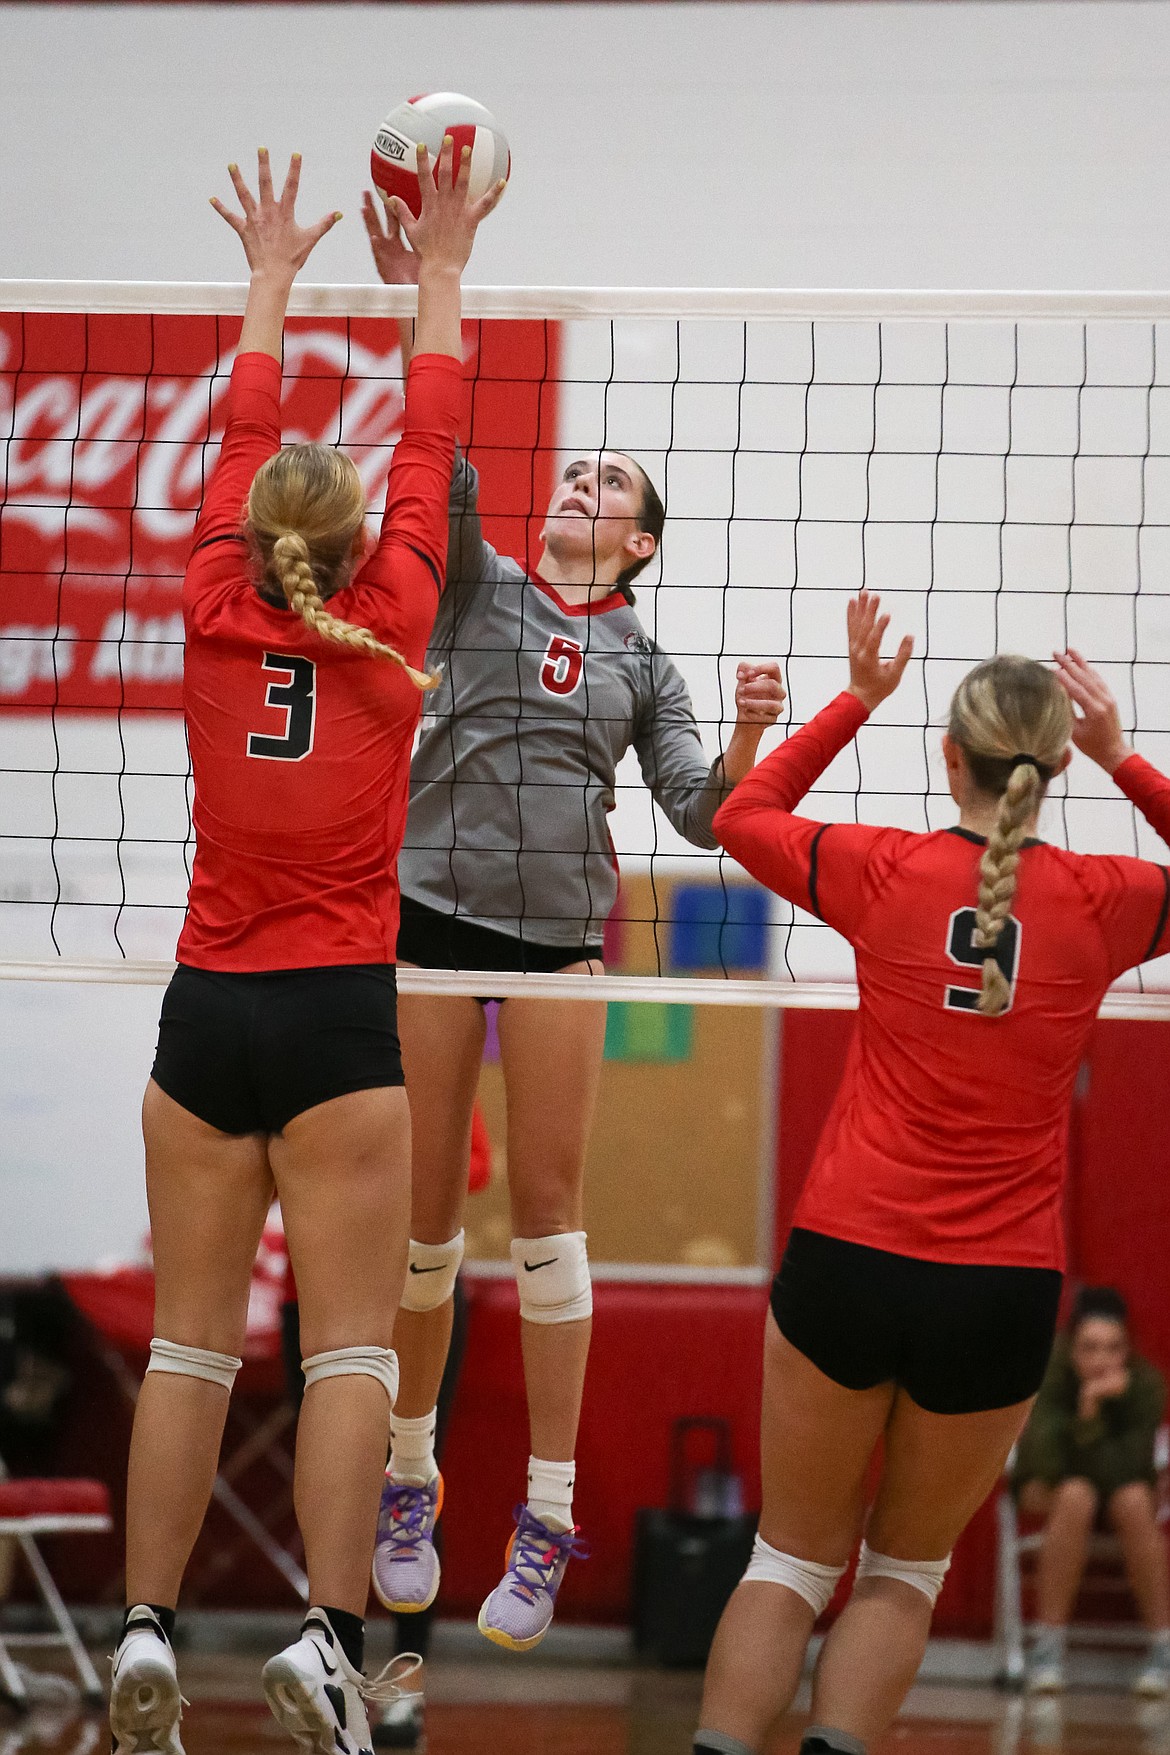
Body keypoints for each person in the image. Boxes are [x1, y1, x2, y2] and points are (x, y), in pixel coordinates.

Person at [107, 143, 502, 1755]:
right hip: (340, 1025)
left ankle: (142, 1629)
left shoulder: (208, 595)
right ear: (352, 552)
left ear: (256, 537)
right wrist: (440, 272)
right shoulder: (395, 612)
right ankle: (330, 1644)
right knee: (349, 1350)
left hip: (203, 1022)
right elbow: (434, 434)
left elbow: (245, 431)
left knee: (186, 1347)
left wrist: (270, 276)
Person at [359, 191, 786, 1652]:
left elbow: (699, 809)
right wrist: (433, 279)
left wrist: (736, 736)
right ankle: (405, 1481)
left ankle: (543, 1516)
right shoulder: (474, 577)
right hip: (424, 922)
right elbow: (437, 439)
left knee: (546, 1223)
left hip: (555, 946)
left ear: (642, 540)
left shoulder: (646, 660)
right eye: (579, 468)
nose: (583, 483)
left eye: (610, 482)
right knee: (422, 1237)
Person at [693, 598, 1170, 1755]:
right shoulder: (1109, 901)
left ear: (945, 757)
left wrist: (856, 696)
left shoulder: (883, 869)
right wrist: (1123, 758)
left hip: (848, 1255)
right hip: (997, 1290)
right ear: (1054, 766)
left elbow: (736, 815)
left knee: (791, 1559)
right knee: (903, 1574)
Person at [1014, 1284, 1170, 1696]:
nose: (1102, 1360)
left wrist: (1089, 1418)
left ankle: (1163, 1648)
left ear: (1127, 1350)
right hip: (1054, 1490)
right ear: (1071, 1348)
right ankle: (1047, 1648)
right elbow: (1047, 1463)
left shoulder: (1146, 1385)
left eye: (1113, 1348)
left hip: (1119, 1494)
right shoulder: (1049, 1377)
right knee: (1075, 1494)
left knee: (1134, 1500)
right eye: (1090, 1347)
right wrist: (1086, 1411)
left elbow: (1134, 1468)